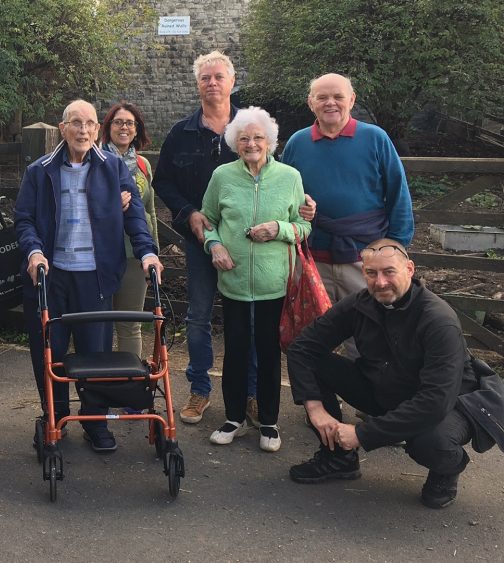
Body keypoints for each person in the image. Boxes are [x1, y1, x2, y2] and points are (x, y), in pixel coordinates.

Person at [287, 239, 504, 508]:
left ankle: (448, 469)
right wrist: (315, 408)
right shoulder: (359, 304)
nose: (380, 282)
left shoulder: (438, 319)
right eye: (371, 273)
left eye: (389, 271)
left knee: (429, 442)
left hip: (449, 404)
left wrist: (362, 434)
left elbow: (435, 401)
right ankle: (338, 458)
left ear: (410, 269)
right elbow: (302, 348)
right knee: (315, 361)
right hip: (385, 387)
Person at [15, 99, 163, 453]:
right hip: (52, 277)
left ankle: (94, 422)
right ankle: (56, 417)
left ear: (98, 130)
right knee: (49, 353)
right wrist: (34, 252)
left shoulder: (112, 167)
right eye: (76, 123)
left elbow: (135, 216)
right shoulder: (40, 170)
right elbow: (24, 219)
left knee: (95, 354)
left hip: (95, 277)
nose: (83, 131)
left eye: (90, 124)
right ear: (63, 128)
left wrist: (147, 252)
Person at [152, 51, 268, 425]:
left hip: (246, 243)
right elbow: (163, 181)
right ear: (198, 84)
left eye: (219, 77)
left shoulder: (253, 127)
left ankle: (250, 392)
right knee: (199, 317)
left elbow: (274, 174)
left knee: (248, 319)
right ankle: (199, 389)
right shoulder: (181, 133)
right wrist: (189, 212)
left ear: (232, 82)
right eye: (206, 78)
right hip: (200, 241)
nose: (212, 83)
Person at [200, 107, 311, 452]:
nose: (252, 143)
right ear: (235, 142)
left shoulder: (290, 177)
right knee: (234, 350)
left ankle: (269, 422)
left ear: (270, 142)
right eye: (244, 138)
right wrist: (214, 244)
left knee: (267, 352)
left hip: (273, 284)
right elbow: (207, 219)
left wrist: (279, 229)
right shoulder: (222, 175)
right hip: (232, 281)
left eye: (258, 137)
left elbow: (303, 226)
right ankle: (233, 417)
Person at [281, 73, 413, 303]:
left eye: (337, 96)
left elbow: (398, 194)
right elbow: (281, 197)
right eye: (322, 97)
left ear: (351, 100)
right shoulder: (297, 143)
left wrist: (395, 247)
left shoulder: (375, 138)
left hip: (366, 260)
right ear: (311, 103)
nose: (330, 102)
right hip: (312, 259)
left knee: (366, 330)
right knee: (315, 330)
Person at [100, 101, 159, 359]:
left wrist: (153, 254)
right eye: (118, 122)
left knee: (130, 324)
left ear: (137, 130)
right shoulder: (94, 159)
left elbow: (151, 211)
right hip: (99, 254)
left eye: (129, 123)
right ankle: (99, 387)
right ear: (108, 127)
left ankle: (128, 386)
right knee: (97, 323)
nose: (124, 127)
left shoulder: (144, 165)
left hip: (135, 256)